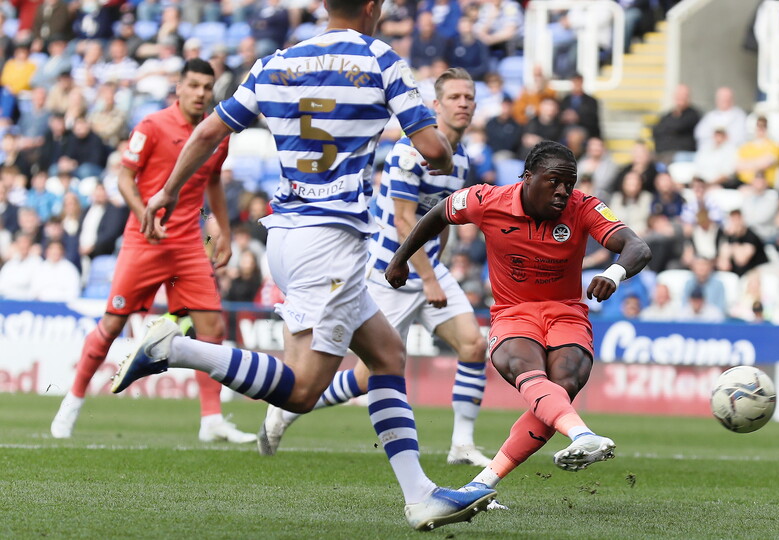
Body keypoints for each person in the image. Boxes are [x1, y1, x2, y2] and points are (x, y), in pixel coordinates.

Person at [113, 0, 495, 531]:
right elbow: (433, 150)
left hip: (288, 234)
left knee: (385, 355)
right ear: (372, 8)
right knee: (300, 389)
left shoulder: (275, 61)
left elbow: (208, 134)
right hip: (332, 240)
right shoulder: (381, 59)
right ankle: (174, 347)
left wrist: (167, 193)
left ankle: (420, 495)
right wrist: (441, 152)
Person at [384, 140, 652, 501]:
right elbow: (437, 214)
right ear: (528, 178)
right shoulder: (486, 200)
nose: (563, 191)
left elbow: (637, 246)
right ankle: (582, 435)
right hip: (513, 313)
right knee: (525, 367)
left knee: (565, 382)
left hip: (566, 312)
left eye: (569, 183)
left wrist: (616, 272)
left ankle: (480, 485)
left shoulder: (583, 206)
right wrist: (400, 259)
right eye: (554, 181)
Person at [258, 67, 493, 468]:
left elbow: (444, 219)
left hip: (430, 269)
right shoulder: (408, 151)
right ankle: (288, 410)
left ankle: (461, 444)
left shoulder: (462, 158)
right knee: (368, 376)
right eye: (455, 97)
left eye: (469, 97)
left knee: (473, 345)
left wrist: (439, 265)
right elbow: (405, 222)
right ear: (435, 105)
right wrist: (430, 277)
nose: (464, 104)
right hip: (392, 272)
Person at [49, 59, 257, 445]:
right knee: (111, 326)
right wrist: (143, 211)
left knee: (212, 328)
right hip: (144, 242)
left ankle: (211, 420)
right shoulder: (152, 126)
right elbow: (125, 176)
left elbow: (212, 182)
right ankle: (72, 402)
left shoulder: (218, 134)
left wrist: (223, 232)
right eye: (193, 85)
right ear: (178, 87)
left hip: (189, 246)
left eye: (206, 87)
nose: (200, 93)